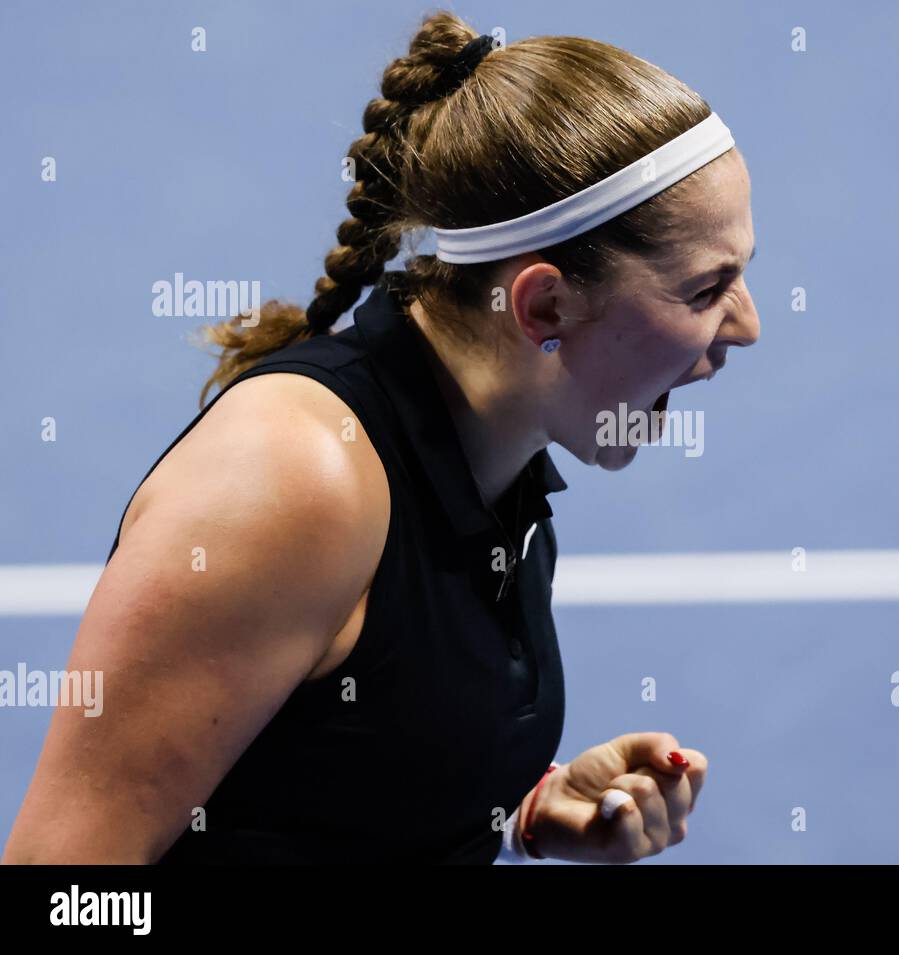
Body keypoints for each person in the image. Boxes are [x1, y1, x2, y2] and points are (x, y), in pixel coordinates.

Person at [2, 10, 758, 864]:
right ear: (543, 305)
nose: (748, 327)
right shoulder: (297, 484)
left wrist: (520, 814)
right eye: (706, 290)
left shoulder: (494, 455)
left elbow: (331, 777)